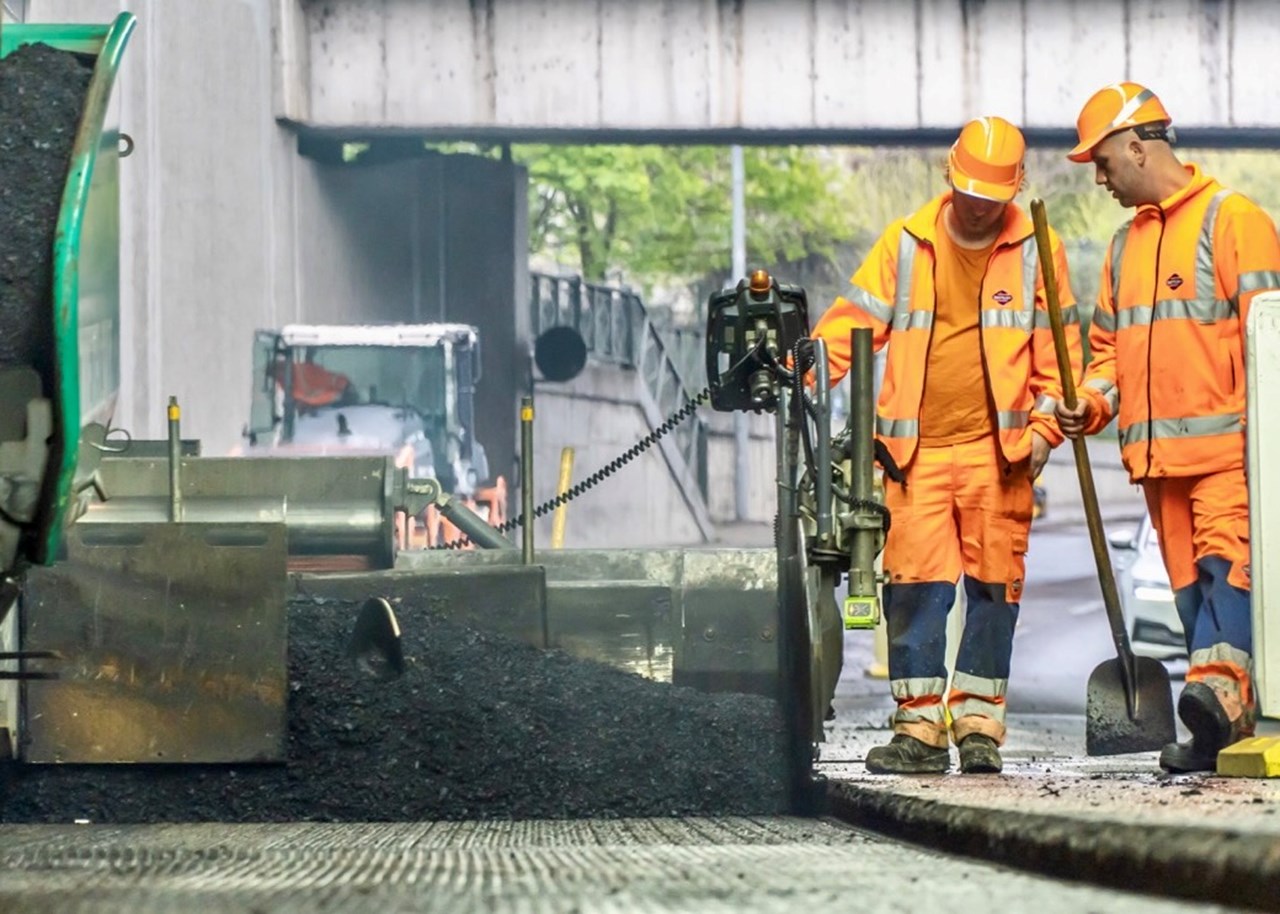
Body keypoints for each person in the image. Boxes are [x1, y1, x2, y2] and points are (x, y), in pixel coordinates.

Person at [813, 116, 1081, 774]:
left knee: (994, 594)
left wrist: (1046, 430)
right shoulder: (905, 245)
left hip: (1001, 457)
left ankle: (980, 728)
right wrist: (796, 369)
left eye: (993, 198)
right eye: (970, 193)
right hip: (917, 456)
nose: (979, 206)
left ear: (1014, 192)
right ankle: (920, 731)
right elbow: (850, 327)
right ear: (948, 179)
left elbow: (1060, 360)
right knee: (915, 592)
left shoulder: (1037, 251)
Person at [1056, 83, 1280, 772]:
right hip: (1156, 464)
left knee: (1226, 579)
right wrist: (1088, 406)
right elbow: (1106, 355)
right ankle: (1215, 731)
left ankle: (1215, 701)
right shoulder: (1124, 249)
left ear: (1135, 145)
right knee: (1190, 596)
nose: (1098, 178)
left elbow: (1271, 342)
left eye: (1101, 161)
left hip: (1227, 457)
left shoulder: (1233, 221)